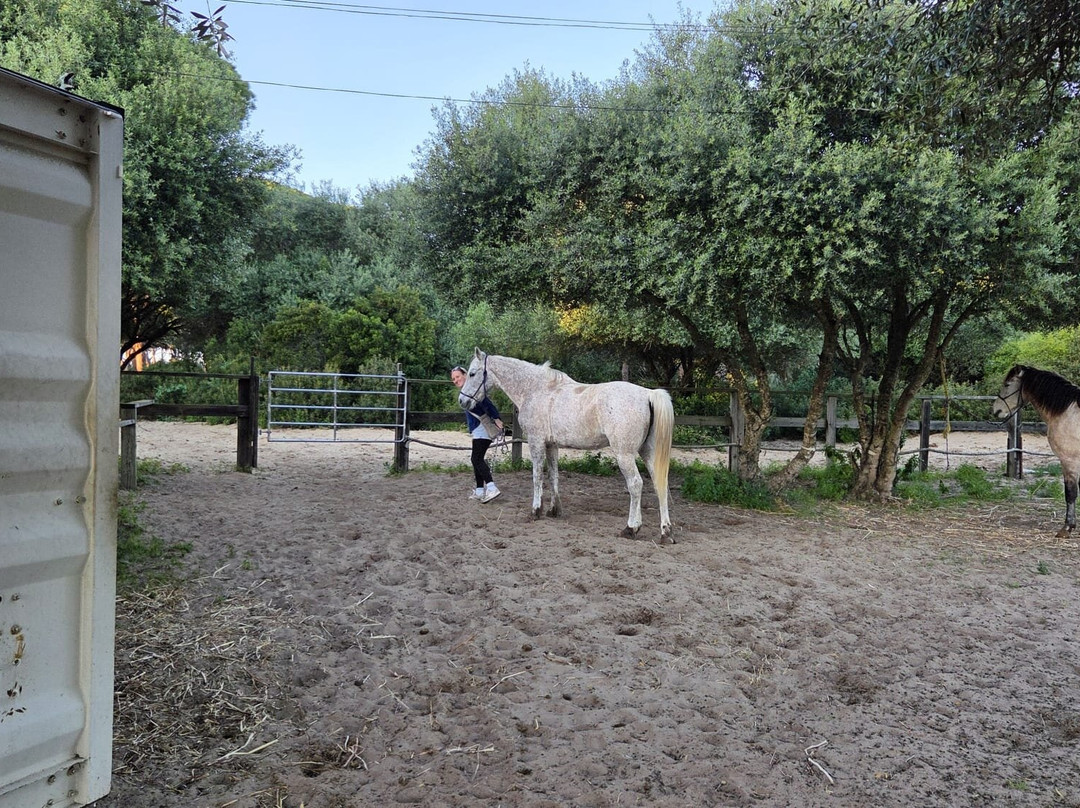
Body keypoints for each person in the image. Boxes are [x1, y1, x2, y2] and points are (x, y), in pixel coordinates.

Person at [450, 365, 504, 503]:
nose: (456, 380)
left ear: (465, 375)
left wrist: (496, 418)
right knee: (476, 459)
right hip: (477, 429)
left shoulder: (473, 390)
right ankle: (480, 490)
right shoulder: (467, 391)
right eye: (453, 379)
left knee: (476, 459)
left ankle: (491, 487)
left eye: (458, 376)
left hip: (482, 427)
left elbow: (487, 403)